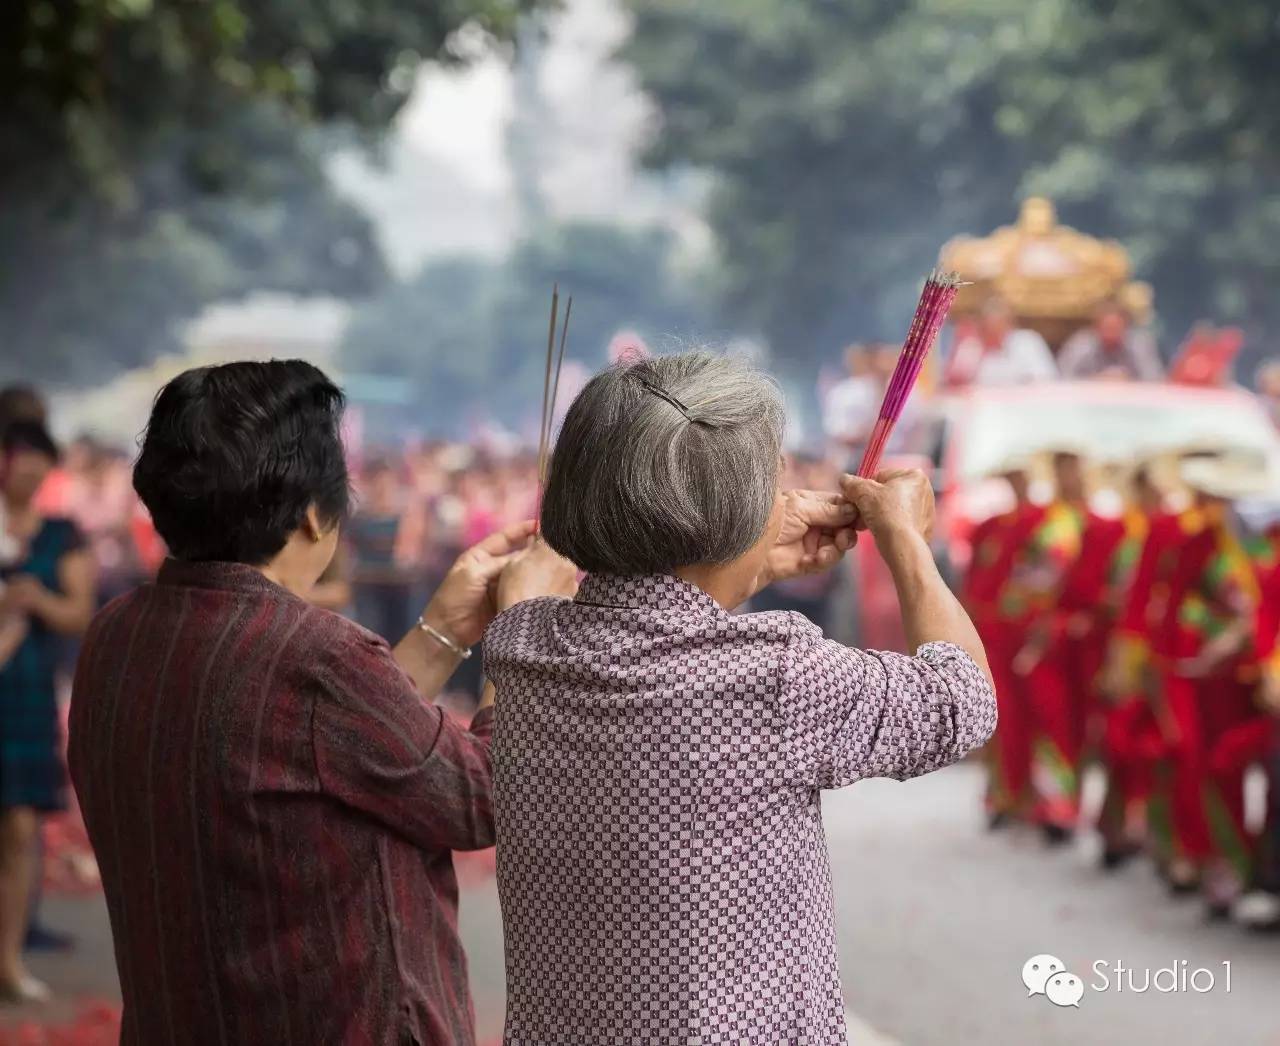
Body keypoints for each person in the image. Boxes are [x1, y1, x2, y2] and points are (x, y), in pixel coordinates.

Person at [484, 352, 996, 1044]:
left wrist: (745, 564)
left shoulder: (521, 647)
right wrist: (904, 537)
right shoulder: (774, 674)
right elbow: (959, 701)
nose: (784, 502)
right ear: (731, 515)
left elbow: (657, 631)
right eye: (774, 484)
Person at [67, 360, 576, 1044]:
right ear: (313, 514)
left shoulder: (118, 633)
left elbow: (336, 746)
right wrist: (523, 629)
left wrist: (448, 629)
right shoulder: (314, 655)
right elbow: (485, 797)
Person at [0, 421, 95, 1003]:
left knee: (18, 828)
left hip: (27, 692)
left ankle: (7, 959)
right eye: (19, 456)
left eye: (40, 459)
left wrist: (35, 600)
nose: (29, 468)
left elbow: (79, 613)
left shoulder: (62, 534)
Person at [945, 296, 1058, 387]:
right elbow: (955, 382)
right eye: (987, 326)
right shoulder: (972, 348)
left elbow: (1046, 380)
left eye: (998, 325)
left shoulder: (1027, 342)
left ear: (1008, 323)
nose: (993, 331)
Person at [1058, 300, 1164, 382]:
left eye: (1116, 328)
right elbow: (1061, 377)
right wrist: (1095, 380)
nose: (1111, 333)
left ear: (1126, 327)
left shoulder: (1140, 345)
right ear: (1096, 328)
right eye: (1107, 328)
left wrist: (1127, 380)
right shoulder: (1081, 345)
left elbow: (1155, 378)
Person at [821, 343, 880, 466]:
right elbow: (834, 428)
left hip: (872, 455)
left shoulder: (876, 388)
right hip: (845, 456)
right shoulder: (842, 390)